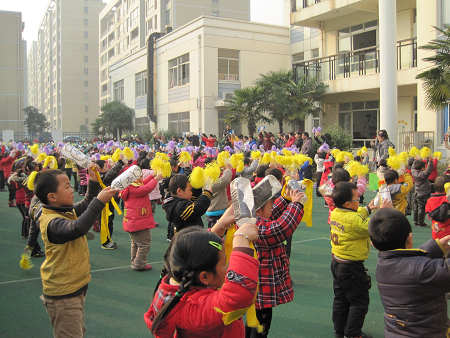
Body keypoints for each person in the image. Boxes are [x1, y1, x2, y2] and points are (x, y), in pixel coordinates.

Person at [34, 165, 119, 338]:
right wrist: (100, 201)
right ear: (52, 197)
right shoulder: (51, 221)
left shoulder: (62, 211)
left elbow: (86, 203)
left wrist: (94, 181)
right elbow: (77, 228)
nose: (72, 188)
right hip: (63, 294)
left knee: (76, 331)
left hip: (74, 288)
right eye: (66, 186)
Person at [145, 211, 259, 338]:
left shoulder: (176, 283)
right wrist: (241, 240)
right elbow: (238, 294)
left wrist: (221, 224)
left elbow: (197, 250)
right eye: (224, 262)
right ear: (205, 277)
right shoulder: (194, 311)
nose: (227, 266)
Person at [368, 208, 450, 338]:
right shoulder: (422, 272)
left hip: (396, 332)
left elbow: (409, 263)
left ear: (373, 244)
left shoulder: (383, 263)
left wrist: (436, 247)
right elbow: (419, 269)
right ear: (410, 239)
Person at [329, 181, 390, 338]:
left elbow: (355, 215)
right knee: (359, 302)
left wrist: (368, 208)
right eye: (358, 199)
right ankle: (353, 333)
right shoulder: (354, 221)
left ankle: (339, 330)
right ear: (348, 203)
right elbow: (373, 227)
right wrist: (382, 213)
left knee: (340, 299)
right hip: (351, 268)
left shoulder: (336, 212)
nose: (359, 200)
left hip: (337, 263)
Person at [246, 181, 307, 337]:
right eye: (270, 206)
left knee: (252, 324)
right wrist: (296, 205)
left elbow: (270, 214)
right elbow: (282, 227)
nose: (272, 208)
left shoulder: (251, 220)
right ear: (259, 210)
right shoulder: (258, 229)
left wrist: (286, 200)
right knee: (260, 328)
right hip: (261, 290)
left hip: (256, 289)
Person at [120, 169, 163, 271]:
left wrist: (152, 176)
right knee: (144, 243)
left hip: (133, 222)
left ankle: (135, 262)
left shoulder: (130, 186)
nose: (141, 178)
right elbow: (146, 188)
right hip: (137, 222)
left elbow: (143, 184)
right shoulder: (134, 189)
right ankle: (139, 264)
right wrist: (156, 179)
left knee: (136, 243)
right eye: (138, 176)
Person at [426, 175, 450, 240]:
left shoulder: (429, 200)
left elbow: (429, 214)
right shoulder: (447, 199)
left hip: (436, 234)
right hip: (448, 235)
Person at [412, 158, 433, 227]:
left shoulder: (413, 172)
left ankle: (415, 221)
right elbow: (428, 171)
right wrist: (430, 162)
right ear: (422, 168)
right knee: (422, 208)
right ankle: (420, 222)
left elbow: (413, 167)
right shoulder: (422, 175)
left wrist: (415, 161)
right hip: (423, 194)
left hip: (416, 192)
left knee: (416, 208)